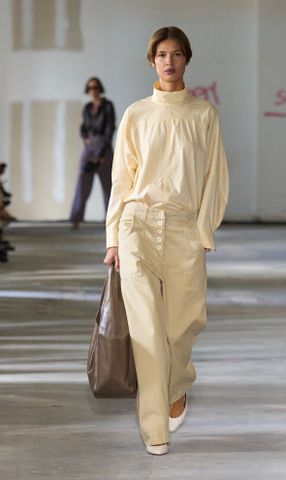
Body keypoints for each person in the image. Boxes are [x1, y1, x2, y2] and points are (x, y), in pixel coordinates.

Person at [104, 26, 229, 456]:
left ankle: (177, 389)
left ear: (186, 59)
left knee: (182, 328)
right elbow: (122, 178)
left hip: (183, 229)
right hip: (136, 225)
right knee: (146, 330)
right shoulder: (136, 114)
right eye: (161, 54)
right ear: (152, 61)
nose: (169, 61)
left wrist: (203, 230)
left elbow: (215, 176)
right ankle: (155, 428)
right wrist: (113, 237)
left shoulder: (203, 114)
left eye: (176, 54)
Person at [70, 77, 115, 228]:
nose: (93, 91)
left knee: (108, 187)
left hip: (104, 147)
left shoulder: (108, 106)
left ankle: (111, 221)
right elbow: (83, 127)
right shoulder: (87, 107)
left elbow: (110, 129)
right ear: (87, 90)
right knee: (82, 183)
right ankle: (76, 219)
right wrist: (85, 139)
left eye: (95, 87)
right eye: (90, 88)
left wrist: (102, 154)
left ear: (99, 88)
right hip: (89, 147)